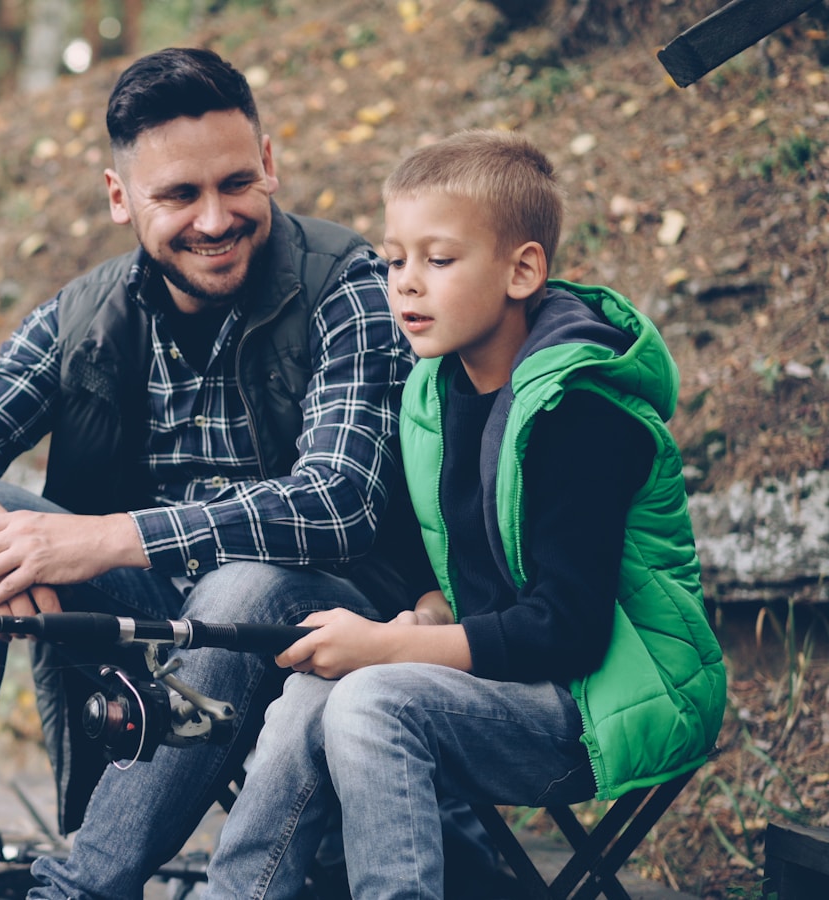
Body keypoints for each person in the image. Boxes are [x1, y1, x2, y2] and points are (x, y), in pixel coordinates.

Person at [0, 47, 417, 900]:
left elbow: (341, 501)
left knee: (238, 590)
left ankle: (74, 890)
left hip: (329, 622)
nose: (215, 218)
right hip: (155, 632)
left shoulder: (346, 284)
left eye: (236, 183)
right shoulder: (83, 317)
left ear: (270, 166)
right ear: (120, 198)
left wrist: (100, 541)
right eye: (178, 195)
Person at [200, 129, 728, 899]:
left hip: (607, 703)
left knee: (373, 697)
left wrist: (386, 647)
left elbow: (565, 630)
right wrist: (423, 609)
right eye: (394, 260)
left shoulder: (580, 414)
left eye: (438, 261)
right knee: (311, 693)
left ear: (522, 271)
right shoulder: (434, 393)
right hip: (507, 685)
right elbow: (441, 555)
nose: (406, 285)